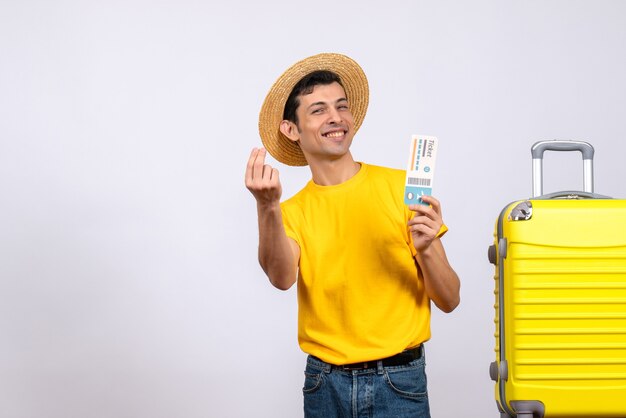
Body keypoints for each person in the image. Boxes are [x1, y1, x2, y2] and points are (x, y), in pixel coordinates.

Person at [245, 52, 460, 418]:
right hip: (324, 385)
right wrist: (266, 207)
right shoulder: (289, 212)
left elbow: (450, 299)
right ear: (291, 129)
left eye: (341, 107)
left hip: (399, 381)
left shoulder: (402, 188)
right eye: (318, 110)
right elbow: (281, 278)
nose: (336, 118)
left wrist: (426, 250)